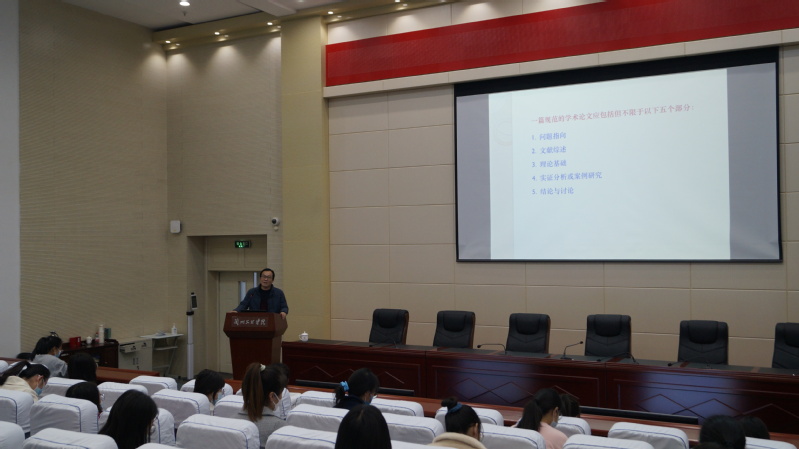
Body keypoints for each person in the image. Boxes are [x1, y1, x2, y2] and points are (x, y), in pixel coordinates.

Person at [240, 362, 288, 447]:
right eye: (281, 393)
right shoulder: (279, 426)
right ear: (272, 396)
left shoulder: (231, 419)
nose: (281, 397)